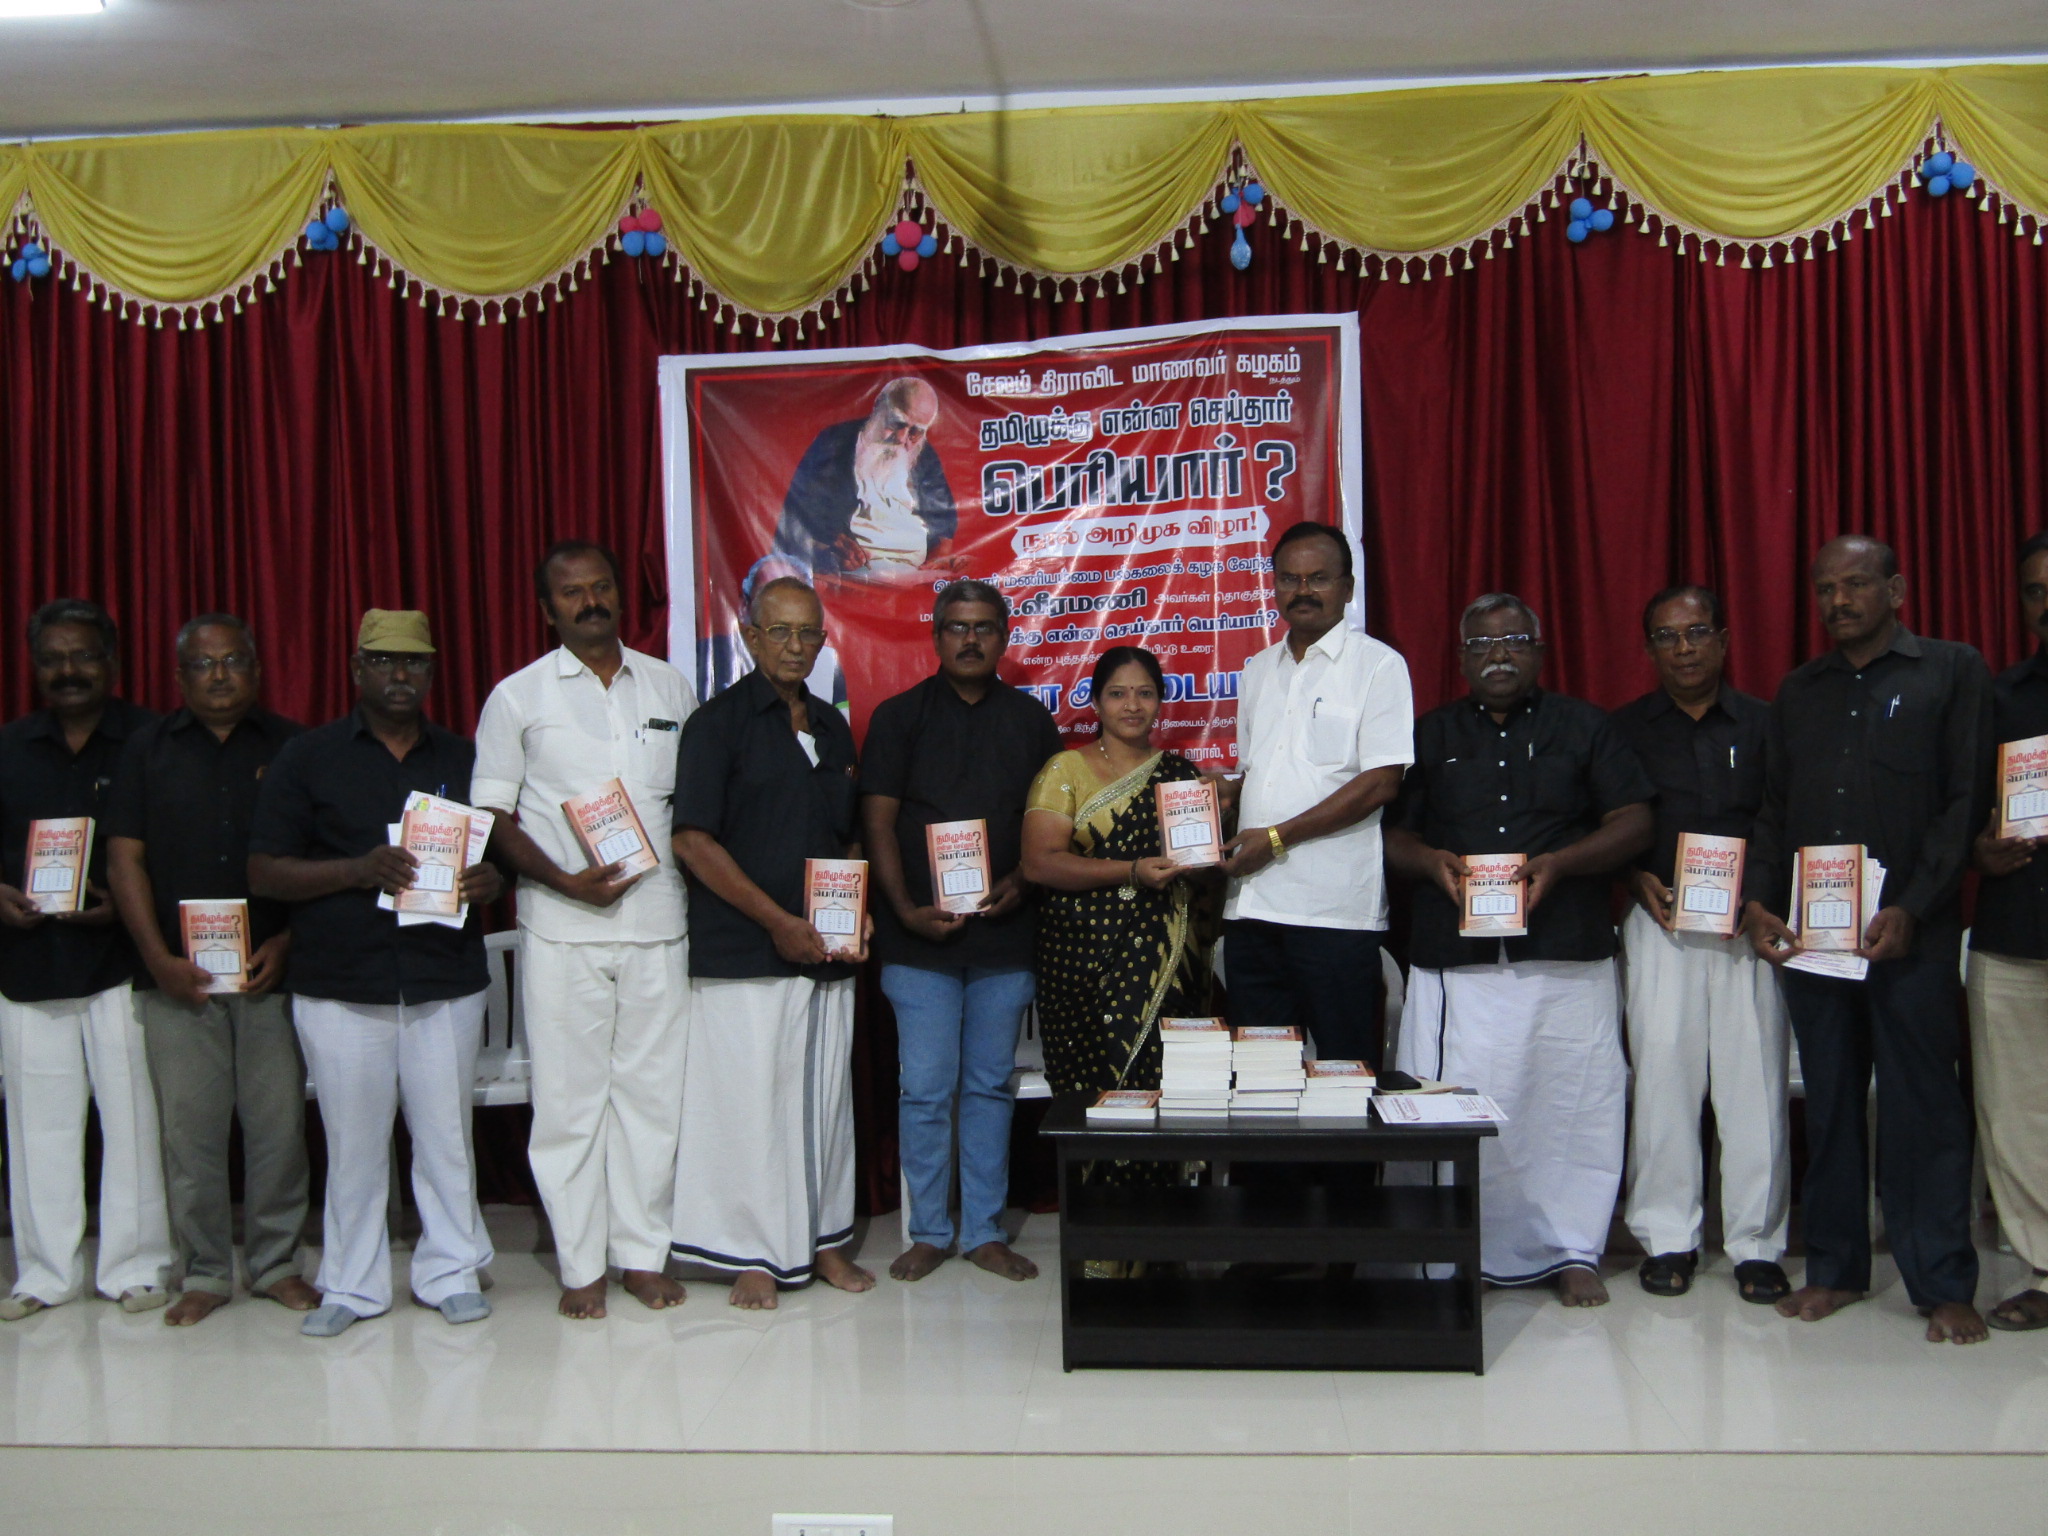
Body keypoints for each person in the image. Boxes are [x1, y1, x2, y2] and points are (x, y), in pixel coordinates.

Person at [1741, 535, 1991, 1345]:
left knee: (1924, 1107)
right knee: (1833, 1101)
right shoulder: (1799, 690)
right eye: (1825, 588)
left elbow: (1963, 801)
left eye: (1855, 584)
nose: (1839, 601)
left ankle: (1942, 1281)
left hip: (1911, 935)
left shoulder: (1950, 670)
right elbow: (1775, 810)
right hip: (1818, 939)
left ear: (1897, 589)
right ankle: (1837, 1267)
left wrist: (1915, 905)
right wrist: (1760, 903)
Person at [1385, 593, 1653, 1306]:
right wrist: (1430, 862)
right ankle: (1456, 1250)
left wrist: (1562, 863)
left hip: (1565, 946)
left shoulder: (1585, 726)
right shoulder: (1430, 734)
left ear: (1539, 649)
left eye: (1512, 641)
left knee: (1571, 1103)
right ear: (1461, 658)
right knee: (1457, 1102)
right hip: (1459, 959)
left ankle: (1573, 1248)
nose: (1497, 655)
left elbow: (1634, 820)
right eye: (1481, 644)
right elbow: (1394, 837)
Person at [248, 610, 503, 1337]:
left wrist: (491, 881)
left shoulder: (464, 756)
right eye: (384, 662)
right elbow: (265, 872)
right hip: (341, 984)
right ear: (357, 668)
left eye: (414, 663)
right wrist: (357, 870)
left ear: (431, 672)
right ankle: (352, 1285)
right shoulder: (308, 757)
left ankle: (450, 1271)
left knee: (445, 1138)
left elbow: (499, 855)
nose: (399, 675)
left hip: (443, 979)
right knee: (353, 1145)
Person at [474, 540, 696, 1320]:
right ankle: (580, 1264)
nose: (590, 601)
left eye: (601, 587)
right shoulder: (517, 697)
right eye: (572, 592)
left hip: (659, 925)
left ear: (619, 596)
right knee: (568, 1107)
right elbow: (491, 815)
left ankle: (641, 1257)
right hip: (563, 928)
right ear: (548, 609)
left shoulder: (669, 685)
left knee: (652, 1103)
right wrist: (564, 880)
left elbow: (691, 805)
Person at [669, 577, 875, 1310]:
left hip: (825, 952)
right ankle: (749, 1252)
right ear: (751, 638)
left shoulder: (830, 727)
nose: (795, 645)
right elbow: (693, 841)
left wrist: (857, 909)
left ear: (823, 642)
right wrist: (776, 923)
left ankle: (822, 1240)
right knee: (748, 1106)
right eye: (780, 631)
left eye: (808, 633)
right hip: (744, 953)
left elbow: (846, 835)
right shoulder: (716, 725)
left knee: (822, 1103)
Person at [105, 613, 317, 1326]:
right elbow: (123, 859)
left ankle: (276, 1263)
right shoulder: (145, 750)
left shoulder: (294, 748)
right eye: (203, 664)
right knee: (189, 1136)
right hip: (178, 980)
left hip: (271, 973)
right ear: (179, 676)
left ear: (256, 669)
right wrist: (157, 959)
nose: (219, 675)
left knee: (278, 1131)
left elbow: (319, 859)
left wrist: (287, 943)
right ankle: (202, 1270)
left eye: (233, 661)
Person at [860, 578, 1062, 1283]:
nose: (971, 639)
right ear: (936, 635)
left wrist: (1022, 882)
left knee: (988, 1086)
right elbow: (878, 822)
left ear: (1004, 637)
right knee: (924, 1088)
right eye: (957, 627)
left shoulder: (1031, 722)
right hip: (919, 938)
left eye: (984, 627)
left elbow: (1049, 826)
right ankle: (928, 1230)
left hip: (1005, 935)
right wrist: (904, 909)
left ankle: (982, 1231)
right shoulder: (899, 718)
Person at [1609, 587, 1790, 1303]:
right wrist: (1632, 877)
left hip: (1751, 925)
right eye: (1667, 636)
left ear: (1723, 639)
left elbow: (1783, 817)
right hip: (1662, 925)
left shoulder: (1768, 724)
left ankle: (1756, 1244)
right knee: (1663, 1080)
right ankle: (1667, 1237)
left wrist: (1762, 897)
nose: (1683, 648)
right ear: (1648, 649)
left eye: (1696, 632)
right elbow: (1604, 821)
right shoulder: (1623, 730)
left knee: (1756, 1084)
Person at [0, 599, 172, 1320]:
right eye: (52, 659)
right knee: (38, 1125)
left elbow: (179, 845)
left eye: (82, 656)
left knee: (134, 1119)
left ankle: (137, 1265)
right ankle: (44, 1273)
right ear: (35, 667)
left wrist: (127, 908)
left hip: (124, 964)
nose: (67, 670)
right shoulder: (8, 746)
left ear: (113, 662)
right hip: (27, 963)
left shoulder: (152, 741)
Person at [1021, 645, 1219, 1184]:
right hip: (1080, 965)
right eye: (1117, 693)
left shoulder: (1180, 776)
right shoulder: (1065, 769)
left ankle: (1164, 1224)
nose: (1132, 705)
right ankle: (1100, 1228)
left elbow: (1201, 873)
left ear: (1160, 702)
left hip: (1165, 962)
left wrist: (1212, 847)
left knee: (1164, 1091)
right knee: (1095, 1100)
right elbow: (1039, 863)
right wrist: (1131, 871)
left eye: (1144, 693)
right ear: (1095, 702)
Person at [1219, 521, 1413, 1063]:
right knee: (1261, 1076)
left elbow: (1381, 782)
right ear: (1274, 586)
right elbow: (1259, 770)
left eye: (1319, 578)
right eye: (1289, 579)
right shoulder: (1258, 670)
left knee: (1344, 1075)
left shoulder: (1379, 666)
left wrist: (1276, 838)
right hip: (1253, 910)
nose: (1302, 591)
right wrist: (1227, 794)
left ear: (1347, 588)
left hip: (1333, 916)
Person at [1969, 531, 2048, 1333]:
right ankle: (2044, 1268)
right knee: (2019, 1113)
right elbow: (1961, 806)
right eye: (2035, 590)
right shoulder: (2000, 698)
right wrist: (1977, 851)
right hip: (2017, 925)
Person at [774, 377, 958, 577]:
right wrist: (829, 546)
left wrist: (930, 571)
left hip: (914, 575)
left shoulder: (925, 457)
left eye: (915, 432)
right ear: (878, 407)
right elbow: (800, 517)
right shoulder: (835, 444)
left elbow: (944, 529)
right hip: (852, 574)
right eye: (896, 423)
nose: (901, 438)